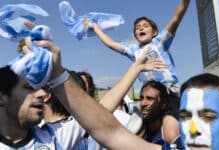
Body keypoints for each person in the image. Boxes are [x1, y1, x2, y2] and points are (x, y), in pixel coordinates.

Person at [21, 30, 172, 149]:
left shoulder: (54, 136)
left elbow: (101, 112)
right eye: (28, 88)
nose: (39, 93)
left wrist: (135, 68)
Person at [90, 0, 190, 143]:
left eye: (145, 26)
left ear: (154, 32)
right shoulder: (133, 50)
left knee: (170, 130)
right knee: (133, 131)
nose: (141, 28)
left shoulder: (160, 42)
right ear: (135, 34)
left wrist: (185, 3)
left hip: (169, 93)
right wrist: (96, 28)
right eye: (137, 27)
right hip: (147, 95)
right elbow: (111, 44)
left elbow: (176, 18)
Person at [138, 80, 181, 147]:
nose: (143, 103)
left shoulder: (169, 132)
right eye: (141, 98)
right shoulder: (138, 129)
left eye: (150, 98)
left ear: (163, 104)